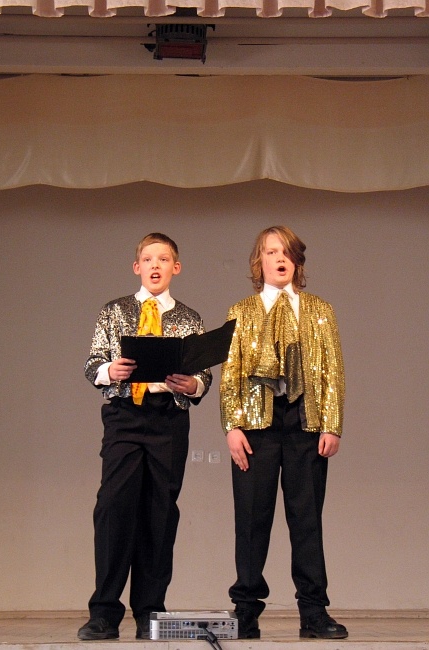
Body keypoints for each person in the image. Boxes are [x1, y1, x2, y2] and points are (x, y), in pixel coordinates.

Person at [78, 232, 212, 641]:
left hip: (167, 419)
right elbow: (93, 364)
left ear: (176, 268)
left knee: (160, 511)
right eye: (149, 259)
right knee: (113, 508)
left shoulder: (189, 318)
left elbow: (203, 375)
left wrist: (191, 384)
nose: (156, 265)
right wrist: (111, 371)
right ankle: (104, 611)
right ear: (137, 267)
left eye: (164, 259)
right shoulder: (114, 311)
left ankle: (150, 609)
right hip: (125, 415)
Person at [220, 225, 347, 640]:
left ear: (297, 261)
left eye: (286, 252)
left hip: (304, 423)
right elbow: (231, 373)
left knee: (307, 519)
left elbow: (332, 371)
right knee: (251, 520)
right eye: (271, 251)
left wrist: (331, 424)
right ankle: (246, 611)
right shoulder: (241, 310)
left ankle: (314, 613)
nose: (279, 258)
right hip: (257, 424)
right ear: (258, 262)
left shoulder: (319, 310)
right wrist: (232, 426)